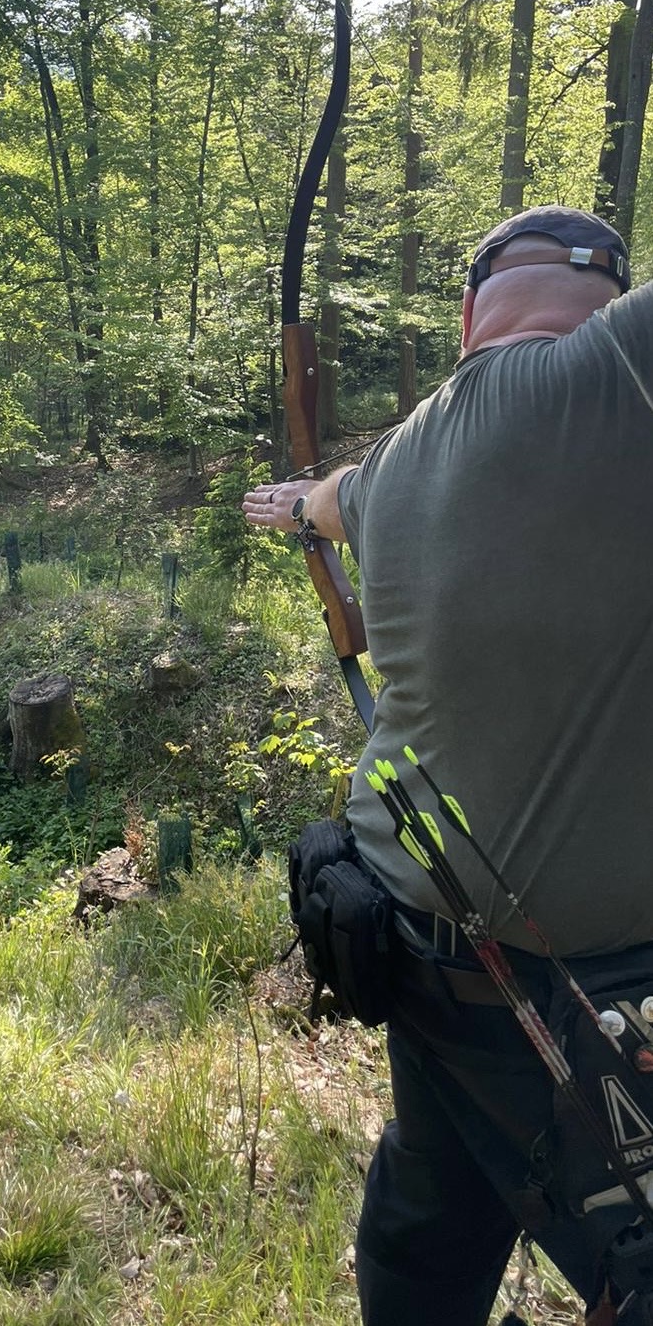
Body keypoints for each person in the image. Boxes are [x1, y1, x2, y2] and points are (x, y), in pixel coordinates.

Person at [243, 206, 653, 1326]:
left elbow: (335, 495)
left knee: (427, 1229)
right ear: (609, 295)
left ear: (467, 314)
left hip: (424, 958)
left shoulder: (404, 454)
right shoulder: (618, 367)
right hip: (592, 999)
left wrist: (296, 508)